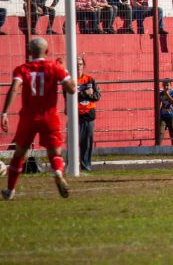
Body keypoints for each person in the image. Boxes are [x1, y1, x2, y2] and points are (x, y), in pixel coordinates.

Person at [1, 37, 77, 200]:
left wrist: (5, 113)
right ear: (47, 51)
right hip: (50, 116)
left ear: (29, 52)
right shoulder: (55, 67)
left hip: (28, 117)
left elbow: (14, 89)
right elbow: (71, 89)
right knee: (55, 153)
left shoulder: (22, 69)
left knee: (19, 154)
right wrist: (65, 71)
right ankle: (57, 171)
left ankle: (10, 190)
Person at [75, 56, 100, 172]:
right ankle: (72, 165)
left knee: (87, 143)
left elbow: (97, 96)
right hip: (75, 115)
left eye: (80, 64)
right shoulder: (70, 81)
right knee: (74, 142)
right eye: (76, 64)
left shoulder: (90, 80)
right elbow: (69, 96)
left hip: (89, 115)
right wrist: (85, 93)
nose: (78, 67)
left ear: (83, 66)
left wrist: (88, 95)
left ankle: (85, 166)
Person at [156, 80, 173, 146]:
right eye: (164, 85)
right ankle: (158, 148)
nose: (166, 86)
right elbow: (159, 104)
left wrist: (167, 94)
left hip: (172, 116)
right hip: (163, 116)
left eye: (167, 85)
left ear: (170, 85)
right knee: (160, 132)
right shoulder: (161, 94)